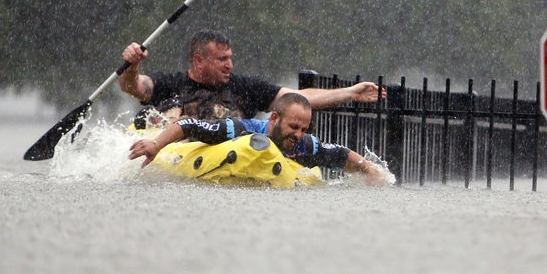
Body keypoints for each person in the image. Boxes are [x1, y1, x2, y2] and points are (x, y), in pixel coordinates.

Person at [120, 29, 384, 123]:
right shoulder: (170, 84)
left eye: (231, 58)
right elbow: (134, 87)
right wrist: (132, 65)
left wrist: (350, 92)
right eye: (222, 59)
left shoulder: (244, 87)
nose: (230, 65)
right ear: (198, 60)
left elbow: (297, 98)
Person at [128, 92, 389, 186]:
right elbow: (189, 125)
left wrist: (370, 171)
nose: (298, 134)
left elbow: (341, 154)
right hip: (200, 155)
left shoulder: (302, 144)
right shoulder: (240, 129)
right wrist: (156, 145)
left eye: (304, 128)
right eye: (293, 126)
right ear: (274, 118)